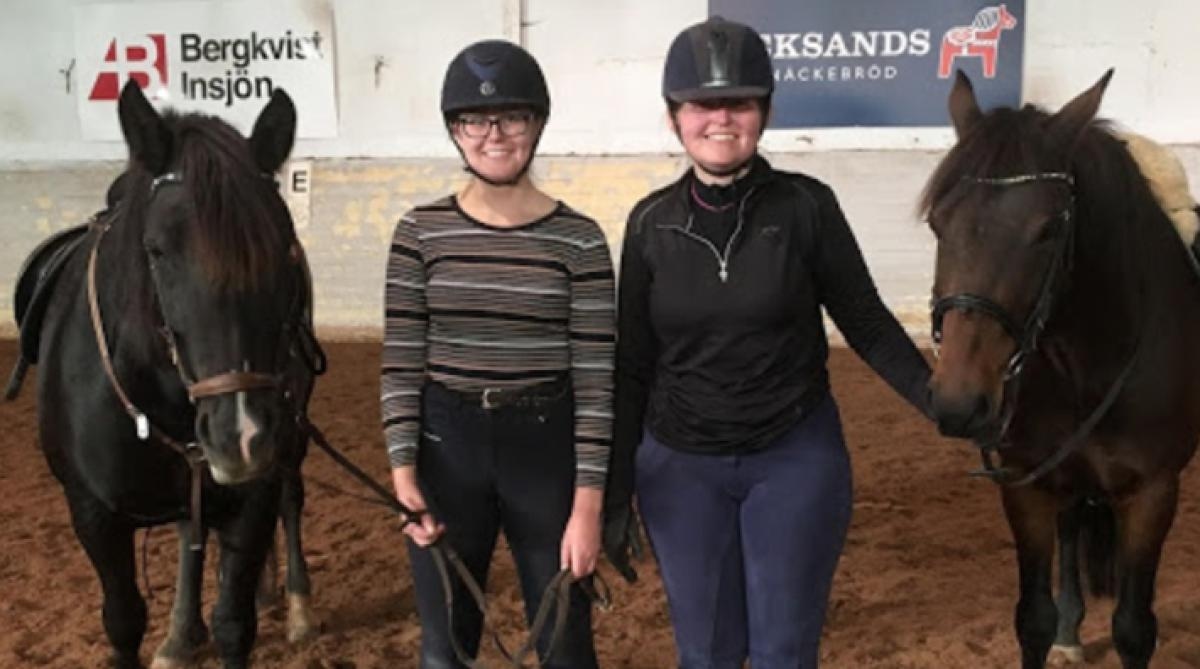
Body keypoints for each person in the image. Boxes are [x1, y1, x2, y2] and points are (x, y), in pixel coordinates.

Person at [602, 16, 932, 669]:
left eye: (739, 102)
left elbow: (864, 320)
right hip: (679, 469)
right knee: (706, 653)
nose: (720, 119)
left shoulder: (808, 207)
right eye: (702, 104)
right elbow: (632, 365)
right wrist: (615, 490)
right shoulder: (649, 225)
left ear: (766, 111)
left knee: (784, 652)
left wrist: (936, 397)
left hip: (793, 459)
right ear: (675, 117)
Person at [382, 39, 615, 669]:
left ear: (536, 123)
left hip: (545, 448)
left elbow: (596, 382)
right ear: (455, 131)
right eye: (474, 120)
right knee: (446, 647)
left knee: (566, 646)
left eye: (511, 117)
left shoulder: (580, 241)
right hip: (445, 448)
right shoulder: (418, 234)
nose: (494, 134)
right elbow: (402, 363)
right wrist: (405, 475)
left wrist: (588, 507)